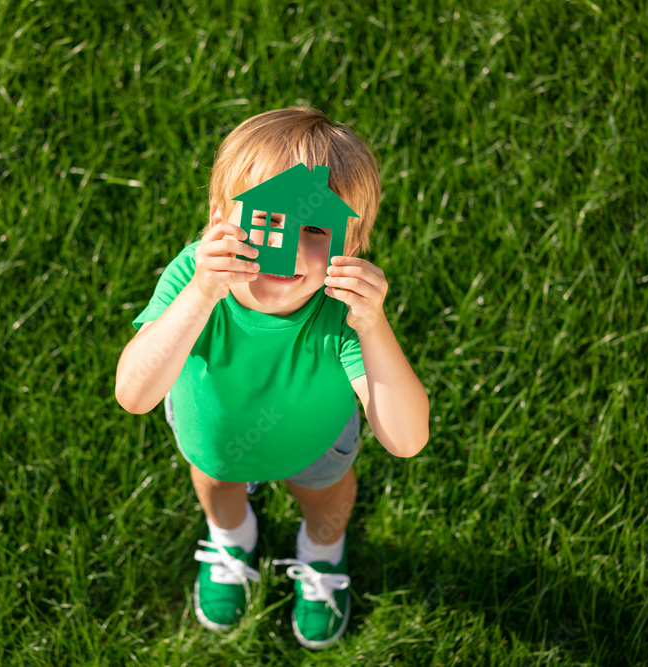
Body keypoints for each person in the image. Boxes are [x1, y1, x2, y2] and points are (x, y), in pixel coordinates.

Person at [115, 107, 429, 650]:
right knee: (217, 487)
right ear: (219, 221)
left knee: (327, 502)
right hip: (213, 438)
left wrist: (374, 327)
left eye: (315, 229)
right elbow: (135, 394)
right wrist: (200, 295)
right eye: (265, 219)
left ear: (349, 248)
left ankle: (323, 554)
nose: (284, 246)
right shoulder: (195, 276)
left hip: (317, 442)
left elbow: (406, 439)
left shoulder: (341, 312)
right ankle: (232, 539)